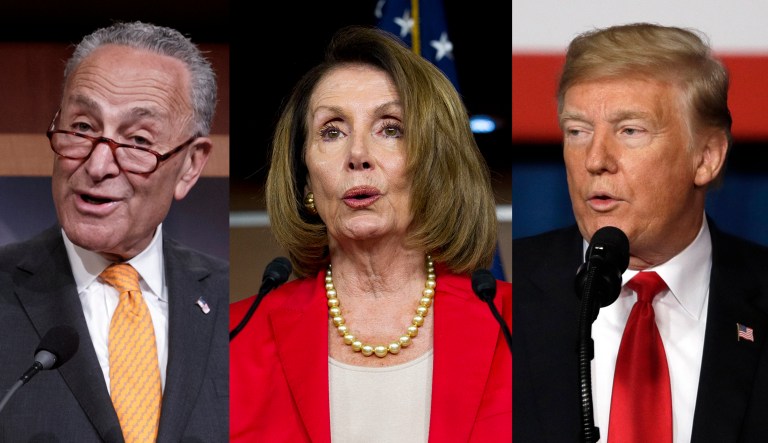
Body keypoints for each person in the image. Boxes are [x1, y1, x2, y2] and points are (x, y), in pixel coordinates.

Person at [229, 25, 511, 442]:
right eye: (332, 132)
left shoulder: (513, 325)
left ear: (436, 166)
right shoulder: (236, 338)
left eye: (390, 128)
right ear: (305, 178)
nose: (357, 155)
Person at [513, 22, 768, 442]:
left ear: (706, 157)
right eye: (577, 131)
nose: (595, 160)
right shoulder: (504, 292)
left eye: (630, 131)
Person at [0, 21, 228, 441]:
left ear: (191, 166)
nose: (98, 165)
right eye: (83, 128)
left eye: (138, 140)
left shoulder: (237, 306)